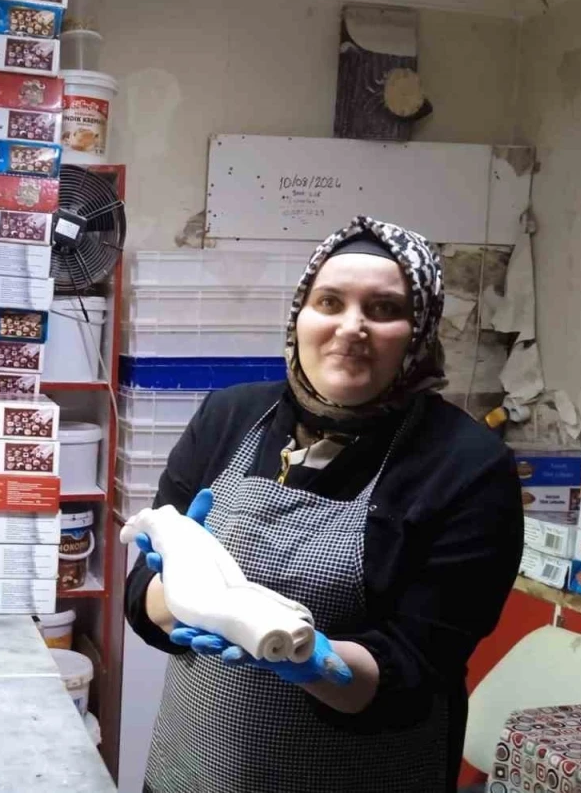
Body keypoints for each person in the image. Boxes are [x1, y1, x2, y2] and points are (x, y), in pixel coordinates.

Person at [124, 216, 523, 793]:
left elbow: (418, 667)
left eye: (384, 309)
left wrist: (314, 662)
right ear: (299, 316)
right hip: (191, 771)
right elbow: (143, 594)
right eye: (329, 302)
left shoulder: (467, 466)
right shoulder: (229, 417)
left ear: (420, 330)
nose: (351, 327)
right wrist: (184, 591)